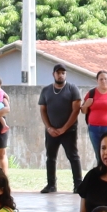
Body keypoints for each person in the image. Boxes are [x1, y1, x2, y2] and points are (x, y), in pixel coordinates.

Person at [38, 62, 83, 193]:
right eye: (58, 73)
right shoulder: (46, 90)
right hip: (51, 131)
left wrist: (64, 129)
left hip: (69, 131)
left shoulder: (72, 89)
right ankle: (51, 185)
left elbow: (76, 110)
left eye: (63, 73)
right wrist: (49, 128)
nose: (61, 75)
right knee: (50, 157)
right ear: (53, 74)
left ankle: (78, 185)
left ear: (66, 74)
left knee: (73, 156)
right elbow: (43, 110)